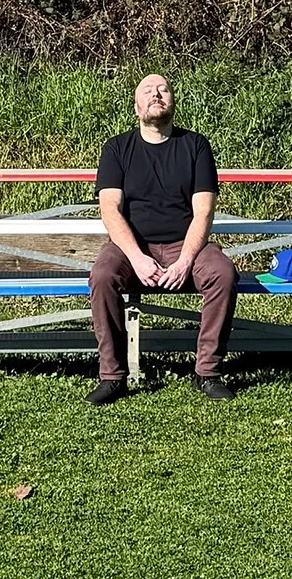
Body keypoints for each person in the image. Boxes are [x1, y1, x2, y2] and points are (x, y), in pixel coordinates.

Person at [87, 72, 239, 405]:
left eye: (163, 89)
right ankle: (112, 377)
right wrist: (137, 258)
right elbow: (110, 210)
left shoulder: (195, 146)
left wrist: (185, 261)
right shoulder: (117, 149)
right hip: (132, 248)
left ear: (173, 101)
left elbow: (203, 212)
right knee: (102, 275)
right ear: (136, 106)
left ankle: (207, 372)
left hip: (185, 245)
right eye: (148, 90)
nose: (156, 94)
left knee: (222, 273)